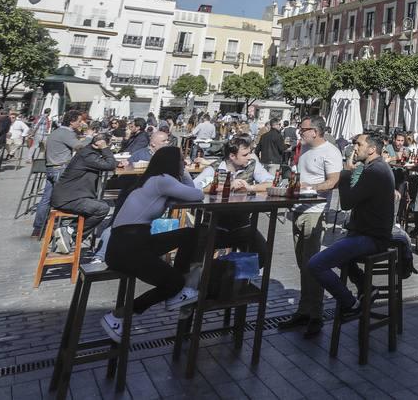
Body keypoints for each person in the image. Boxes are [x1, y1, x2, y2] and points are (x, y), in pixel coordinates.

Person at [100, 145, 207, 342]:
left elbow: (187, 194)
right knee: (173, 282)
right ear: (172, 163)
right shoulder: (162, 181)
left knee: (189, 234)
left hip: (133, 241)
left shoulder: (150, 180)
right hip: (128, 247)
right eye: (181, 160)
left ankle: (179, 291)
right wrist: (183, 174)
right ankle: (117, 316)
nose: (183, 163)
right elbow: (196, 194)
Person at [308, 131, 397, 322]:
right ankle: (366, 287)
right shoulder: (376, 168)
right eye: (355, 144)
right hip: (367, 234)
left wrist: (346, 172)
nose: (355, 148)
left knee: (316, 264)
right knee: (339, 253)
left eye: (359, 145)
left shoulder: (375, 171)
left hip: (372, 238)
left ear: (372, 149)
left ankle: (350, 304)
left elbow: (347, 202)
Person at [282, 115, 344, 338]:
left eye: (303, 129)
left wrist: (310, 187)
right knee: (302, 263)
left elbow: (333, 181)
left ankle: (315, 314)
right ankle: (304, 309)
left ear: (315, 132)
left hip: (315, 212)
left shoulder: (331, 152)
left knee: (313, 264)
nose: (300, 132)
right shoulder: (305, 149)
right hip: (298, 209)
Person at [193, 136, 274, 267]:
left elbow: (271, 183)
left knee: (263, 254)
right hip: (215, 225)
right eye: (245, 154)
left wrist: (250, 187)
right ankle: (210, 278)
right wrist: (227, 186)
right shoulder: (214, 169)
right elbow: (195, 188)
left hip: (242, 225)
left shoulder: (252, 165)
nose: (249, 157)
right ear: (232, 156)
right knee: (196, 249)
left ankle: (234, 277)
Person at [51, 130, 118, 250]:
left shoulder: (88, 153)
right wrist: (106, 149)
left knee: (100, 205)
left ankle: (69, 233)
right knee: (102, 209)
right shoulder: (88, 155)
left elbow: (106, 163)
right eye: (107, 145)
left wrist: (116, 161)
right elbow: (109, 165)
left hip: (72, 197)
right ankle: (71, 236)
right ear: (99, 144)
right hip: (68, 199)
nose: (108, 148)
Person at [33, 110, 84, 237]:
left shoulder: (56, 131)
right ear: (72, 121)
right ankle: (64, 228)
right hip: (60, 169)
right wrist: (90, 138)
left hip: (51, 167)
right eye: (78, 121)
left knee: (46, 199)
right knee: (66, 198)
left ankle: (38, 228)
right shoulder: (66, 133)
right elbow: (79, 147)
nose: (80, 123)